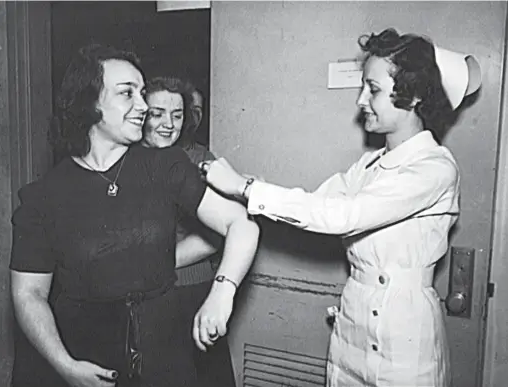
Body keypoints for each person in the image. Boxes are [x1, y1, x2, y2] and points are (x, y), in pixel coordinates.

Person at [199, 28, 481, 387]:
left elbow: (342, 217)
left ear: (413, 98)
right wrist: (244, 191)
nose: (362, 100)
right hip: (352, 333)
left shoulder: (434, 168)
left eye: (373, 89)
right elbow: (317, 204)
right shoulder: (369, 165)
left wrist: (245, 187)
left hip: (405, 346)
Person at [9, 44, 260, 387]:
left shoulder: (165, 167)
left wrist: (222, 292)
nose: (143, 106)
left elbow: (241, 223)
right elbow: (29, 294)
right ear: (89, 102)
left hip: (166, 354)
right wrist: (64, 365)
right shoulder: (45, 196)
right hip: (86, 356)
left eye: (142, 93)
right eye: (128, 94)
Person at [141, 75, 235, 386]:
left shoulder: (199, 160)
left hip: (193, 290)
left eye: (178, 115)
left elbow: (224, 232)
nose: (169, 124)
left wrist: (155, 262)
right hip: (142, 296)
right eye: (157, 113)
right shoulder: (124, 160)